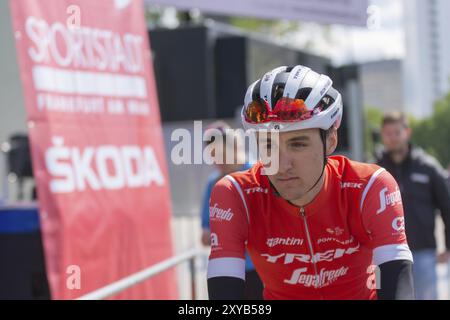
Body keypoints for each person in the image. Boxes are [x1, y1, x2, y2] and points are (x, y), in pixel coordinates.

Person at [207, 65, 414, 300]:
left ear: (330, 140)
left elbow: (397, 281)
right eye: (268, 145)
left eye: (298, 144)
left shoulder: (370, 186)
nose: (282, 164)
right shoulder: (236, 194)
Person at [376, 111, 450, 300]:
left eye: (396, 133)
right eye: (387, 133)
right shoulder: (375, 170)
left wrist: (448, 246)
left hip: (423, 252)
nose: (392, 138)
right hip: (385, 256)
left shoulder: (428, 167)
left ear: (407, 132)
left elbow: (447, 207)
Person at [200, 121, 264, 300]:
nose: (216, 160)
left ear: (234, 145)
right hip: (226, 271)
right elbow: (205, 234)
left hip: (259, 269)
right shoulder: (213, 183)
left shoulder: (258, 174)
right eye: (212, 154)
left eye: (220, 152)